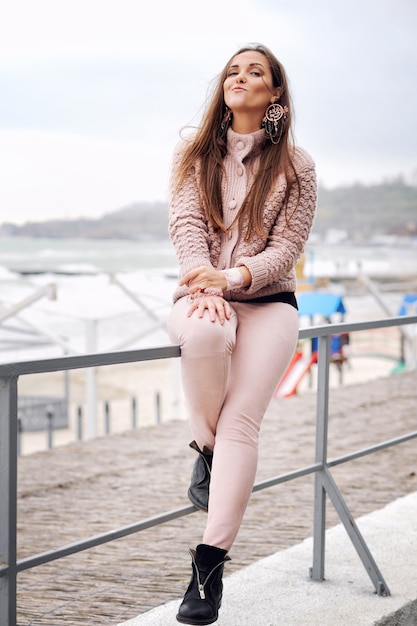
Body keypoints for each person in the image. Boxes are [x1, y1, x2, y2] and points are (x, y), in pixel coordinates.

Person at [167, 43, 317, 625]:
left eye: (256, 72)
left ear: (274, 93)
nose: (241, 77)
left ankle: (208, 568)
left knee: (241, 423)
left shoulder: (296, 165)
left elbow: (287, 250)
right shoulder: (194, 152)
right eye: (233, 70)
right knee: (203, 339)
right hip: (201, 296)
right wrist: (204, 286)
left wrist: (230, 276)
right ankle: (207, 451)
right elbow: (184, 223)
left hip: (268, 302)